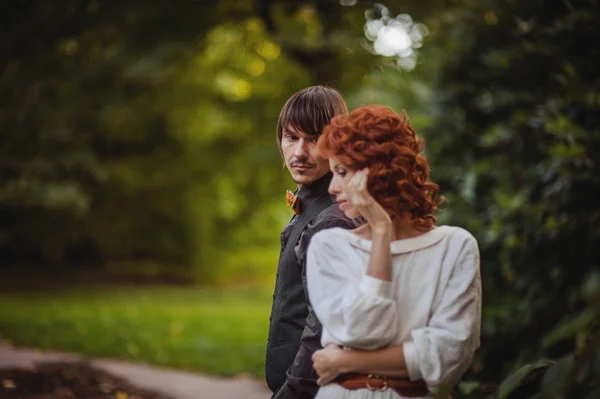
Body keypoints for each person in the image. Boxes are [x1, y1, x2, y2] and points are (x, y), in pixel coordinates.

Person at [306, 105, 482, 398]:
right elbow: (362, 330)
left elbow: (448, 357)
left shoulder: (455, 246)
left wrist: (344, 360)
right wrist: (380, 231)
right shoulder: (330, 246)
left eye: (342, 171)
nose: (333, 187)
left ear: (378, 172)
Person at [265, 86, 361, 398]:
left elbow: (322, 330)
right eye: (292, 137)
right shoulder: (312, 206)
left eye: (314, 139)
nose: (299, 153)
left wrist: (290, 394)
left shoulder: (333, 219)